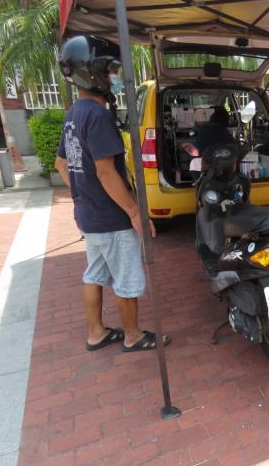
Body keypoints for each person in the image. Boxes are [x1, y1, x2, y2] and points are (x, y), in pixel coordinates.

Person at [55, 35, 169, 352]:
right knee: (124, 279)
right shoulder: (98, 116)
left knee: (94, 274)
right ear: (92, 72)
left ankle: (96, 332)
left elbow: (62, 164)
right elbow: (106, 172)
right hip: (111, 219)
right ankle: (132, 335)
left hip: (89, 217)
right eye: (111, 70)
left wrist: (83, 193)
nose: (114, 77)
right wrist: (134, 212)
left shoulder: (73, 114)